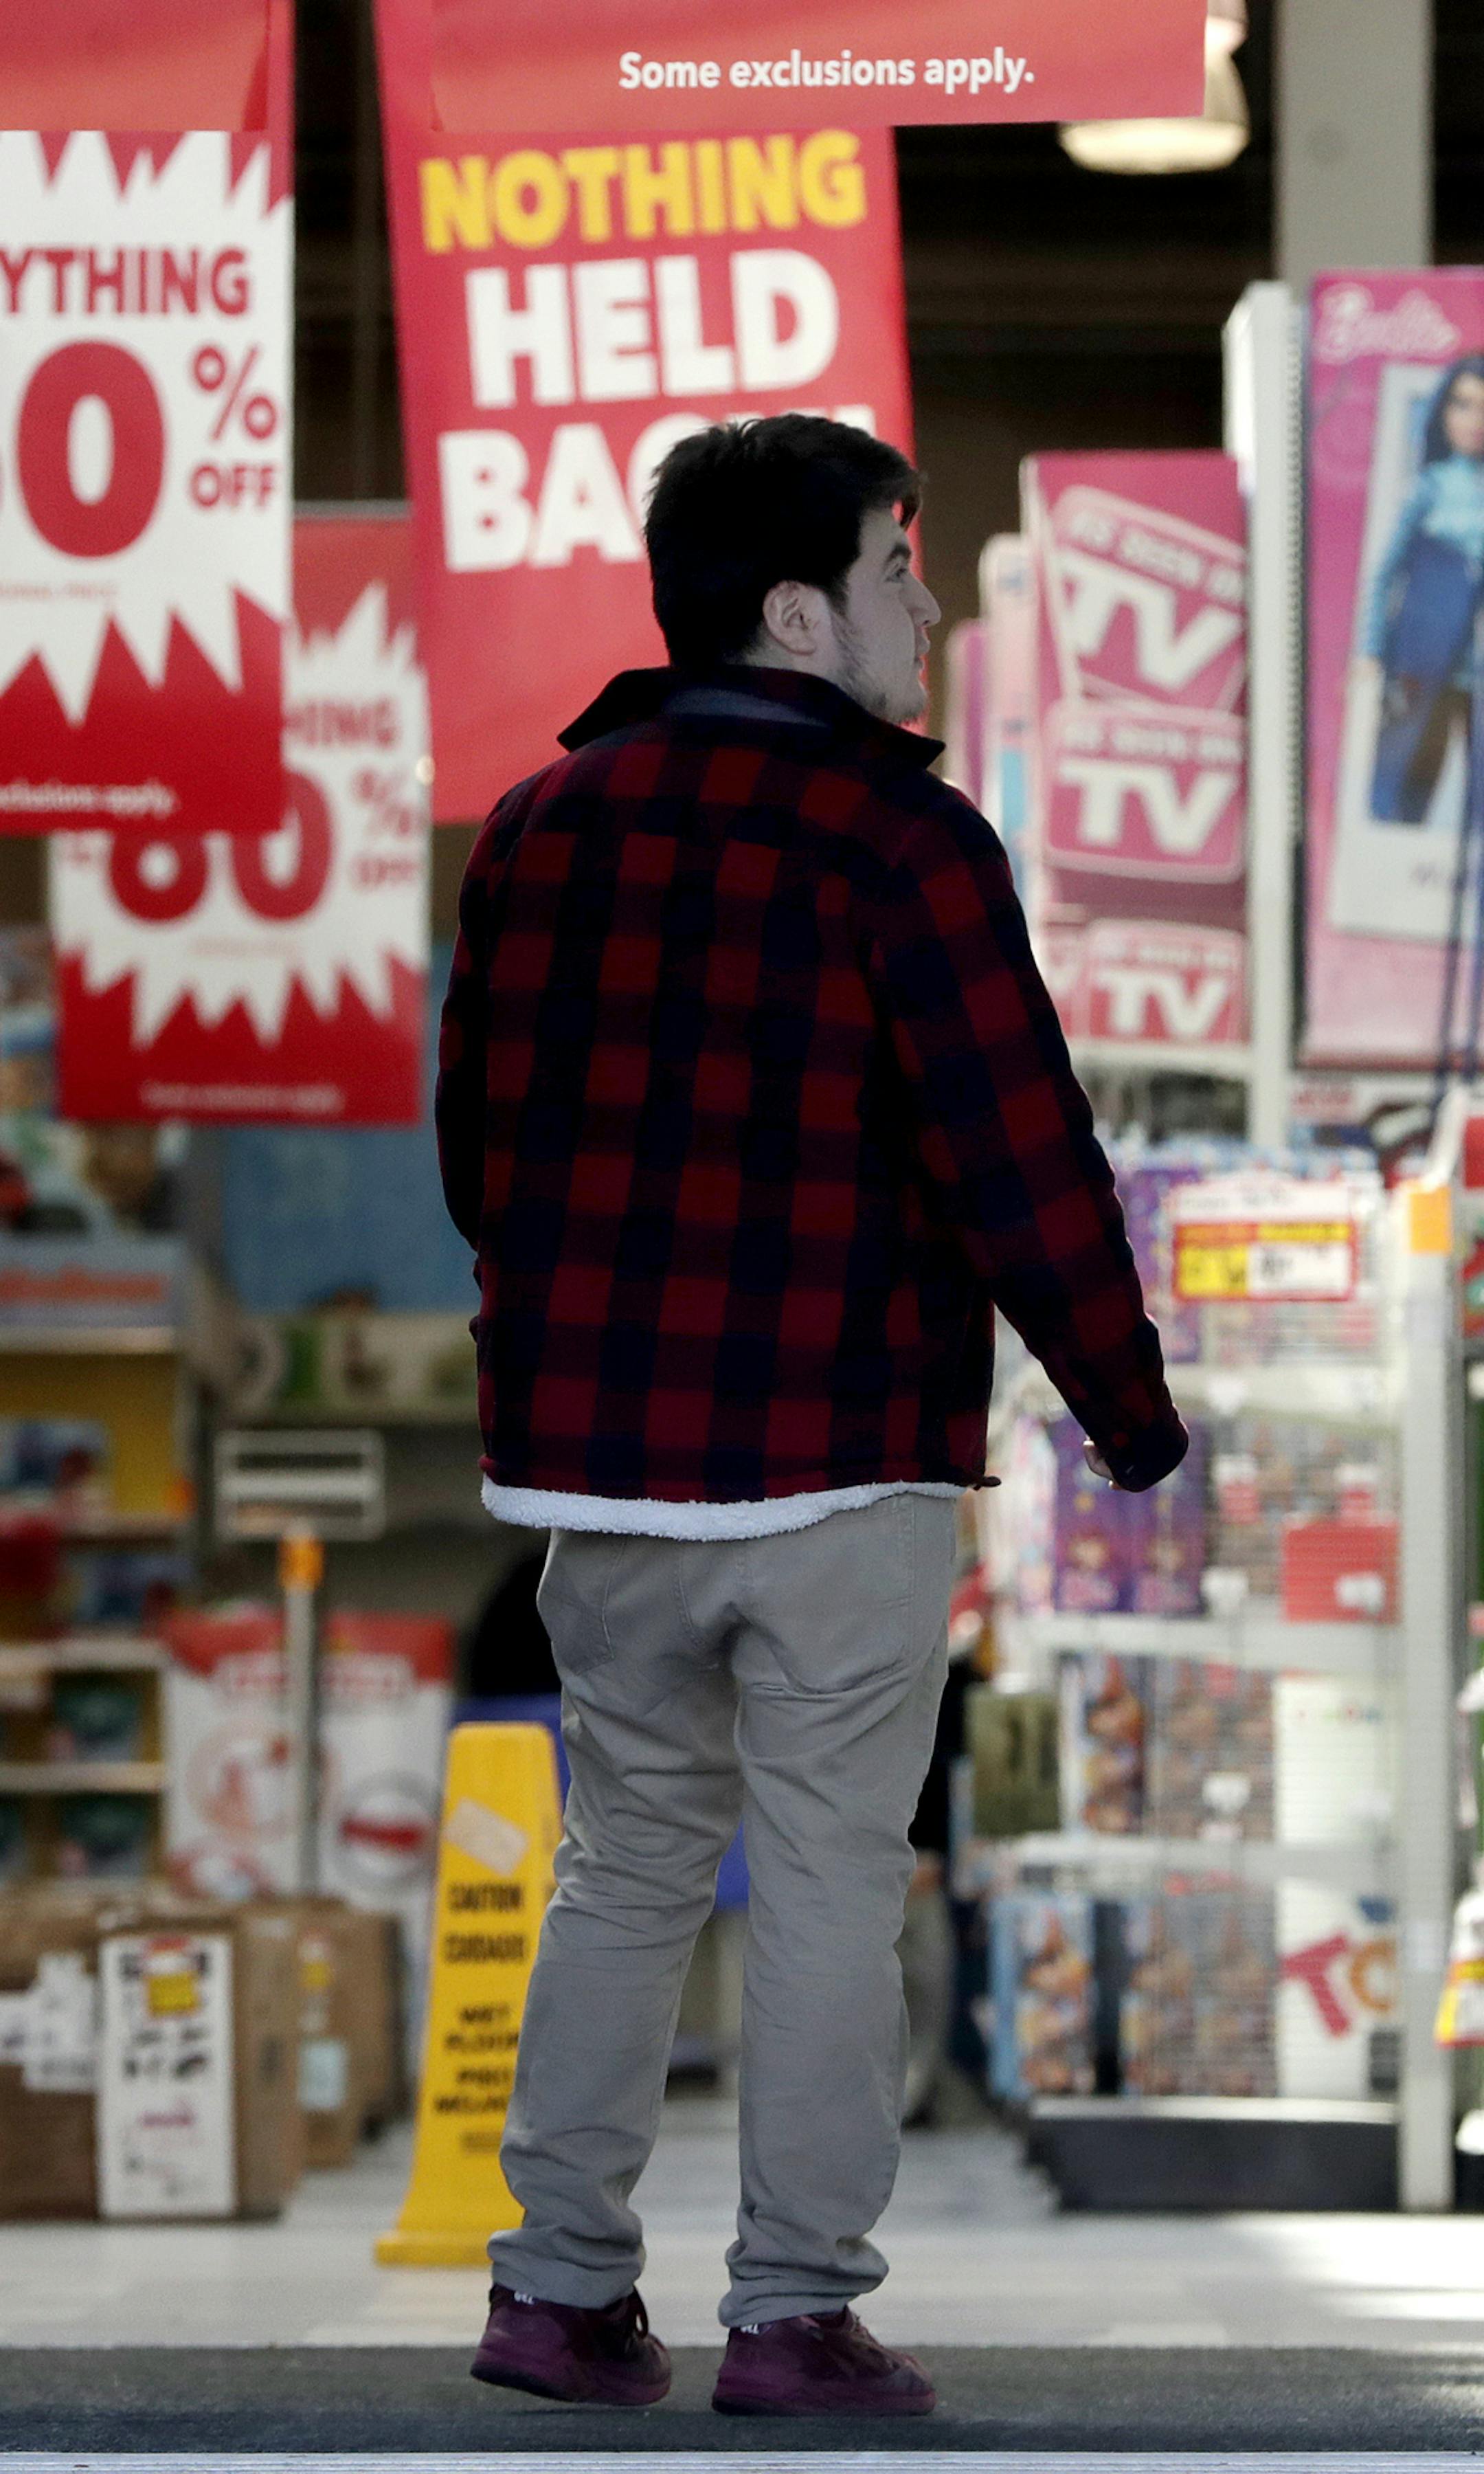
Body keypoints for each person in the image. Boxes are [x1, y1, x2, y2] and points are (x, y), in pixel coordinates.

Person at [436, 412, 1187, 2419]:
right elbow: (1018, 1164)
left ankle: (558, 2292)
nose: (924, 605)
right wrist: (1130, 1414)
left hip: (600, 1475)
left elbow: (472, 1151)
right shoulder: (903, 841)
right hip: (843, 1459)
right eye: (896, 569)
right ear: (794, 611)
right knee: (836, 1882)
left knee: (627, 1870)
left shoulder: (536, 826)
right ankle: (790, 2315)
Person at [1357, 354, 1484, 825]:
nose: (1475, 420)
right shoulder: (1431, 488)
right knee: (1402, 784)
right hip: (1422, 659)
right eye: (1464, 405)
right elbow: (1384, 573)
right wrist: (1371, 649)